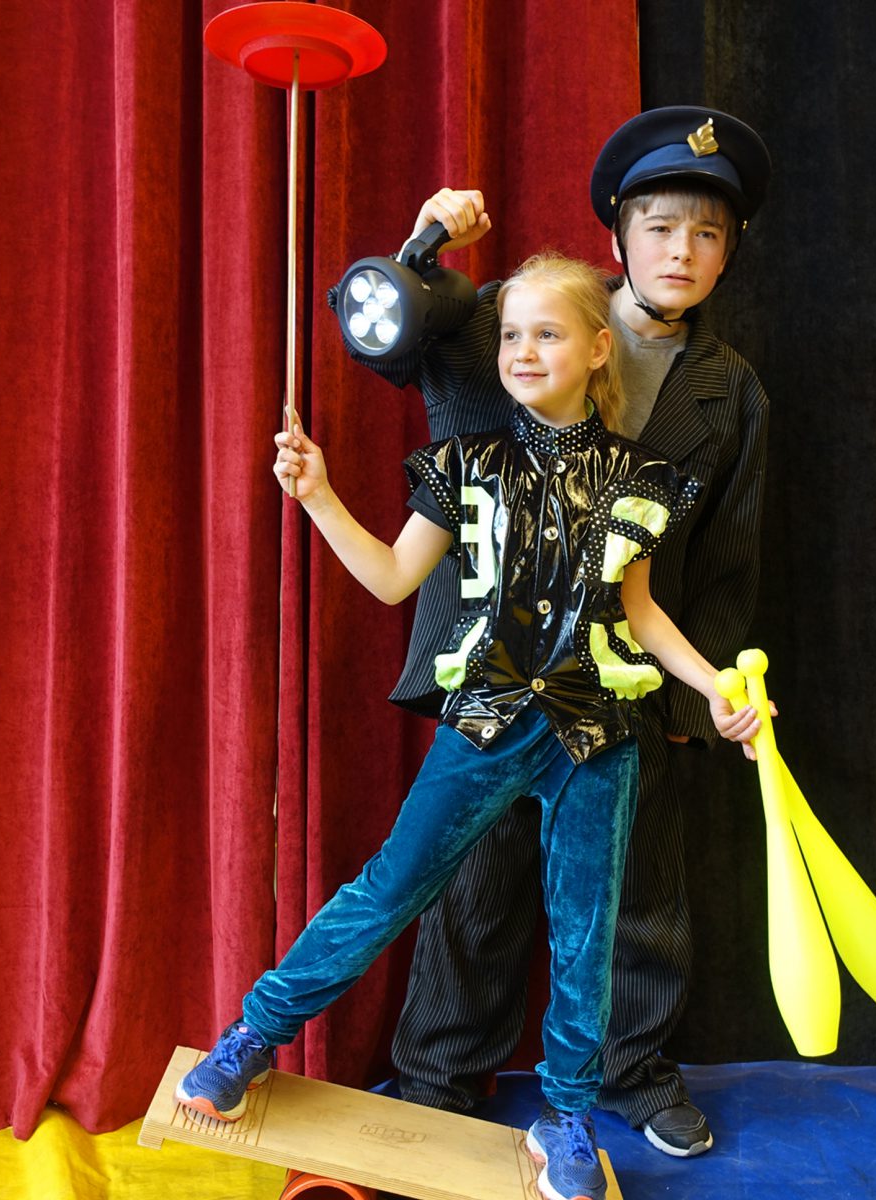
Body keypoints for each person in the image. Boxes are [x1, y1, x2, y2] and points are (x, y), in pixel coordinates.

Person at [175, 253, 761, 1200]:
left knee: (585, 931)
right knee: (389, 889)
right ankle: (252, 1037)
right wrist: (319, 495)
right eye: (513, 335)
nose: (526, 350)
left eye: (550, 332)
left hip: (597, 735)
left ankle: (564, 1115)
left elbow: (643, 614)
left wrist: (714, 684)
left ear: (597, 347)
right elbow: (393, 579)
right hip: (486, 717)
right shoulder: (466, 466)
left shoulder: (642, 478)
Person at [356, 107, 772, 1159]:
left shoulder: (732, 394)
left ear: (727, 255)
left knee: (635, 894)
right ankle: (437, 1075)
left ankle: (631, 1073)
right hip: (497, 667)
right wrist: (422, 247)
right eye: (661, 226)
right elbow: (396, 339)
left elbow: (723, 558)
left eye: (707, 235)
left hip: (629, 673)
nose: (682, 251)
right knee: (474, 880)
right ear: (619, 235)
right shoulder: (517, 313)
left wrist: (691, 698)